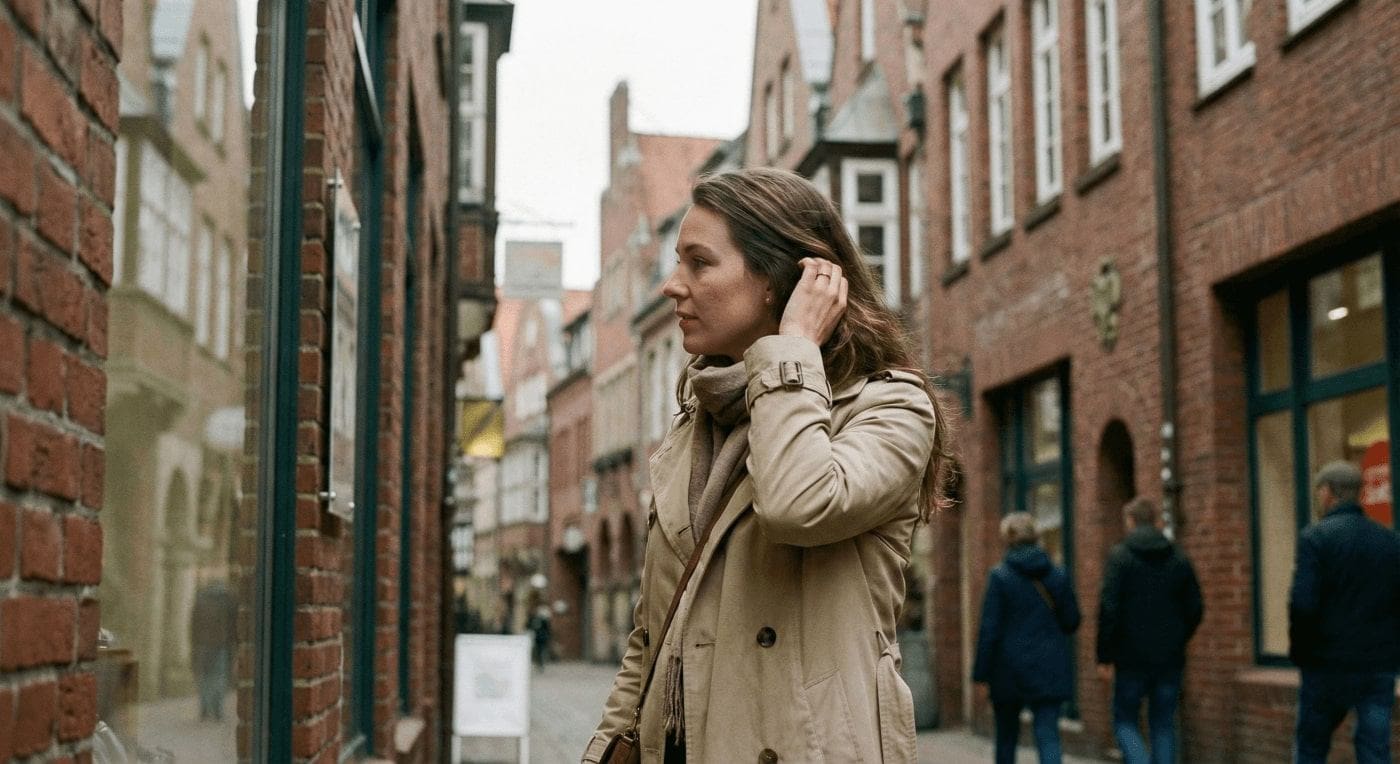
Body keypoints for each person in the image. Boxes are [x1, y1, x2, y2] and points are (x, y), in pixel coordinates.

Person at [582, 168, 954, 763]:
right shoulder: (697, 424)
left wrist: (793, 349)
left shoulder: (891, 408)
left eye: (699, 263)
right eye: (677, 262)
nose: (673, 286)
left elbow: (797, 505)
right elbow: (649, 636)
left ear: (782, 281)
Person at [1288, 460, 1400, 764]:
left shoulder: (1315, 538)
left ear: (1328, 492)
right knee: (1375, 749)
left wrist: (1301, 654)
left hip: (1327, 664)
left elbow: (1303, 604)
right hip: (1378, 663)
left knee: (1311, 747)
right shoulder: (1389, 541)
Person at [1096, 497, 1204, 764]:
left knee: (1124, 720)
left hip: (1129, 658)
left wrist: (1104, 655)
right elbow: (1196, 607)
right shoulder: (1178, 558)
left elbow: (1108, 609)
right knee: (1164, 724)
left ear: (1130, 522)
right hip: (1169, 657)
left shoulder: (1120, 558)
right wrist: (1179, 637)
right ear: (1157, 521)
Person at [973, 512, 1081, 764]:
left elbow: (989, 629)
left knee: (1006, 739)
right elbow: (1072, 621)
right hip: (1048, 667)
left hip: (1008, 671)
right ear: (1036, 537)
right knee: (1049, 736)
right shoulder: (1057, 575)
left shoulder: (1000, 577)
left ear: (1007, 539)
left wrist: (980, 674)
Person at [189, 579, 238, 722]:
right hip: (222, 644)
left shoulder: (201, 598)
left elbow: (193, 624)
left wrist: (194, 643)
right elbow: (234, 624)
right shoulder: (229, 599)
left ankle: (204, 709)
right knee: (220, 676)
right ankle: (217, 709)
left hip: (202, 643)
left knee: (204, 676)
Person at [528, 605, 553, 671]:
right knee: (538, 651)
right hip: (536, 638)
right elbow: (528, 626)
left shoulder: (543, 620)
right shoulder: (532, 619)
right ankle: (539, 663)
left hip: (542, 638)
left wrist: (548, 636)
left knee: (541, 650)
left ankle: (541, 663)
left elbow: (547, 629)